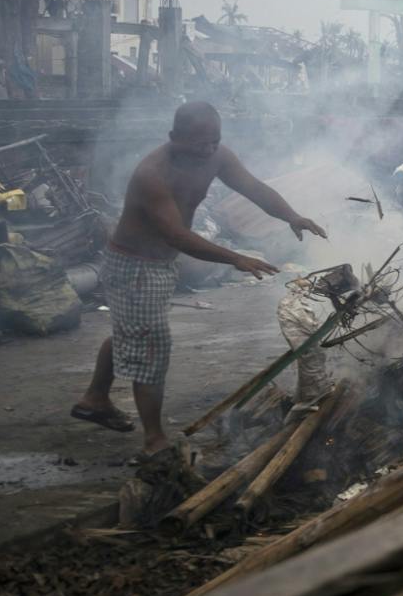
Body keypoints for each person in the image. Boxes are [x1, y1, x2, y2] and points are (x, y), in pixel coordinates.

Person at [70, 102, 328, 456]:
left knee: (131, 332)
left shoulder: (218, 155)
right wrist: (235, 257)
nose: (206, 150)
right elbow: (177, 235)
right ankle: (154, 441)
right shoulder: (152, 174)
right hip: (135, 267)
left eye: (213, 142)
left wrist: (292, 217)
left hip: (158, 264)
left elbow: (254, 188)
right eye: (198, 143)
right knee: (150, 346)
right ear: (174, 137)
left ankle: (95, 399)